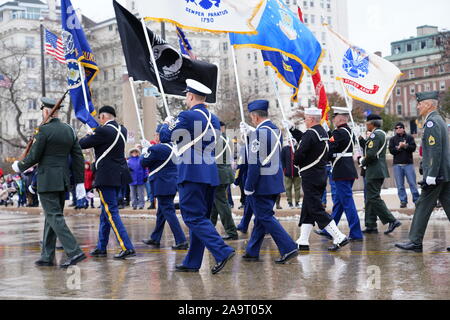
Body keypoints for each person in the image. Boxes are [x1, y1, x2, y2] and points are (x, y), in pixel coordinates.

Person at [164, 79, 235, 274]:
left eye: (187, 95)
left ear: (191, 96)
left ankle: (222, 250)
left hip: (192, 172)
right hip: (210, 173)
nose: (186, 98)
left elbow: (166, 137)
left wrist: (167, 124)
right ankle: (192, 262)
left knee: (193, 217)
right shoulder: (212, 118)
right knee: (201, 217)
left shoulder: (187, 116)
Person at [12, 97, 86, 268]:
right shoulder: (69, 130)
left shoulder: (43, 131)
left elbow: (34, 156)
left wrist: (19, 166)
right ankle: (47, 255)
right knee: (51, 218)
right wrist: (80, 181)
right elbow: (78, 158)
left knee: (53, 216)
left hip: (47, 180)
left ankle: (74, 251)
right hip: (63, 180)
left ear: (46, 111)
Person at [240, 100, 298, 263]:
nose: (251, 120)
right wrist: (252, 133)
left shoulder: (257, 134)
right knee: (260, 218)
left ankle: (288, 247)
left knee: (265, 217)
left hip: (261, 183)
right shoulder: (275, 130)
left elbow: (254, 162)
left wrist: (249, 186)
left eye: (252, 118)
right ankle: (252, 251)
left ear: (255, 117)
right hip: (273, 181)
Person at [79, 105, 136, 259]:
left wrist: (88, 134)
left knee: (111, 212)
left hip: (106, 176)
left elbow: (81, 144)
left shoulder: (103, 130)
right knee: (106, 213)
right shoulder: (122, 129)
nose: (99, 120)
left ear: (104, 116)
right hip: (119, 175)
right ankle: (101, 246)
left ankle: (127, 246)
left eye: (99, 117)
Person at [396, 91, 450, 252]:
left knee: (422, 205)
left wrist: (431, 174)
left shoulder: (432, 122)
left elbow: (435, 150)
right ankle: (415, 241)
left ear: (428, 105)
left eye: (420, 103)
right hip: (444, 172)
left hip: (437, 175)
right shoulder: (438, 119)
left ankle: (415, 241)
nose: (418, 106)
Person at [290, 107, 349, 252]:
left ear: (310, 119)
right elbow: (311, 142)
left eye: (305, 118)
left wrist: (296, 161)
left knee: (315, 208)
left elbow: (300, 153)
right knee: (308, 208)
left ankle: (339, 236)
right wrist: (292, 129)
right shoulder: (322, 132)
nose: (304, 121)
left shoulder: (310, 134)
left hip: (310, 175)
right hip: (320, 173)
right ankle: (303, 240)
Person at [314, 107, 363, 241]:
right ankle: (329, 229)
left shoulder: (339, 132)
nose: (333, 120)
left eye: (334, 117)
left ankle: (356, 233)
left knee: (347, 203)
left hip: (341, 170)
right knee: (340, 203)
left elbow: (330, 149)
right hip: (347, 169)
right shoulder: (348, 131)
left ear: (340, 118)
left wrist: (325, 138)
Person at [141, 124, 188, 250]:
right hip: (171, 183)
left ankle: (181, 240)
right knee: (161, 212)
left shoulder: (158, 149)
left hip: (161, 183)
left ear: (162, 135)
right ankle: (155, 237)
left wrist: (145, 151)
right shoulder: (174, 147)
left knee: (168, 212)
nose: (155, 136)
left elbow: (143, 162)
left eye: (157, 134)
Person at [358, 114, 402, 235]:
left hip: (374, 170)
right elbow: (371, 148)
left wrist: (362, 161)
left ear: (372, 123)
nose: (366, 125)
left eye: (367, 123)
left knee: (373, 197)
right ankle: (371, 224)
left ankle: (392, 220)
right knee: (370, 198)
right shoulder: (380, 134)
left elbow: (371, 154)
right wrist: (361, 140)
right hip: (377, 169)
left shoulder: (375, 134)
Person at [210, 121, 239, 241]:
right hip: (223, 174)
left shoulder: (215, 140)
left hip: (219, 175)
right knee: (214, 204)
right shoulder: (223, 138)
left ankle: (231, 231)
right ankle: (209, 228)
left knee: (222, 204)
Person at [388, 122, 419, 208]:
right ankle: (403, 201)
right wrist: (398, 148)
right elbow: (391, 151)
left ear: (403, 128)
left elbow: (413, 148)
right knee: (400, 185)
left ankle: (416, 200)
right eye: (396, 128)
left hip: (408, 164)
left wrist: (405, 146)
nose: (398, 129)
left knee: (412, 183)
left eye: (400, 127)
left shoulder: (409, 137)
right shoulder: (392, 139)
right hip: (397, 165)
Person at [281, 142, 301, 209]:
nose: (291, 142)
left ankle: (297, 202)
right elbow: (282, 160)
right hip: (288, 173)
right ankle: (290, 203)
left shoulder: (298, 148)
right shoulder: (285, 149)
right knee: (288, 188)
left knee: (297, 188)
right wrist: (284, 170)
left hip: (297, 173)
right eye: (289, 140)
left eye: (292, 140)